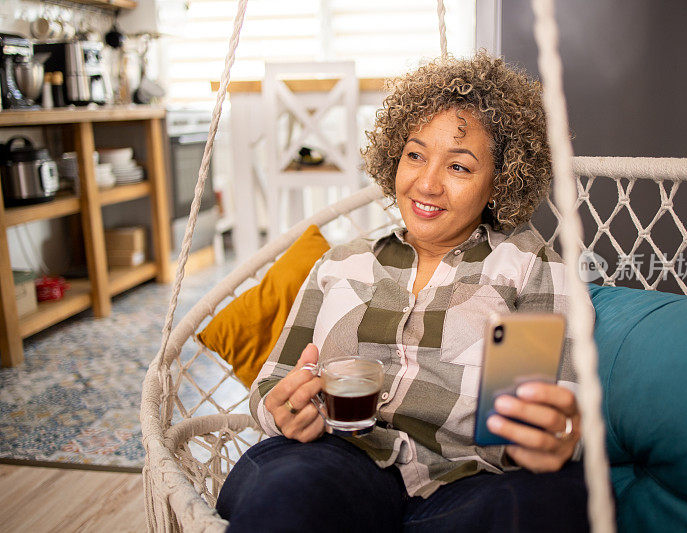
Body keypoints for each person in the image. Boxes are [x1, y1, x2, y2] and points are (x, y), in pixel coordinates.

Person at [216, 52, 591, 532]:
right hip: (336, 459)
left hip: (468, 480)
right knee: (286, 496)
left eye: (459, 167)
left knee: (554, 502)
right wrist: (282, 410)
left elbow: (556, 411)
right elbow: (273, 384)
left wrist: (556, 436)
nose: (427, 183)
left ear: (498, 181)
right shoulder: (341, 262)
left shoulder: (528, 267)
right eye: (415, 155)